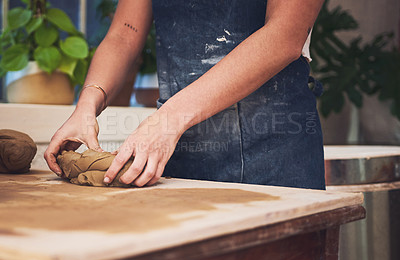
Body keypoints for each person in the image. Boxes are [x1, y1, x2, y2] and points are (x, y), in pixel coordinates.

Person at [45, 0, 326, 190]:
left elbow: (284, 36)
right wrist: (87, 104)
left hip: (273, 156)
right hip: (181, 160)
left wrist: (168, 120)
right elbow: (123, 34)